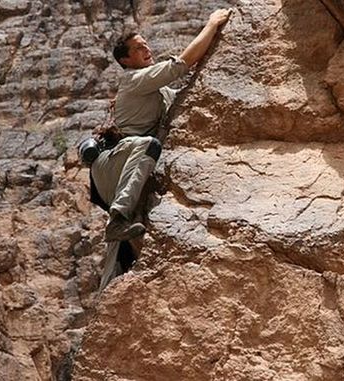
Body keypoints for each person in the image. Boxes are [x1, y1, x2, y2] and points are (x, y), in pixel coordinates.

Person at [89, 8, 232, 291]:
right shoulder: (134, 79)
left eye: (146, 44)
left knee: (123, 255)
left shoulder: (157, 92)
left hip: (129, 166)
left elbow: (183, 94)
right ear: (125, 60)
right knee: (148, 145)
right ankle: (117, 220)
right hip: (116, 166)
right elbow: (183, 64)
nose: (146, 49)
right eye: (138, 48)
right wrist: (212, 24)